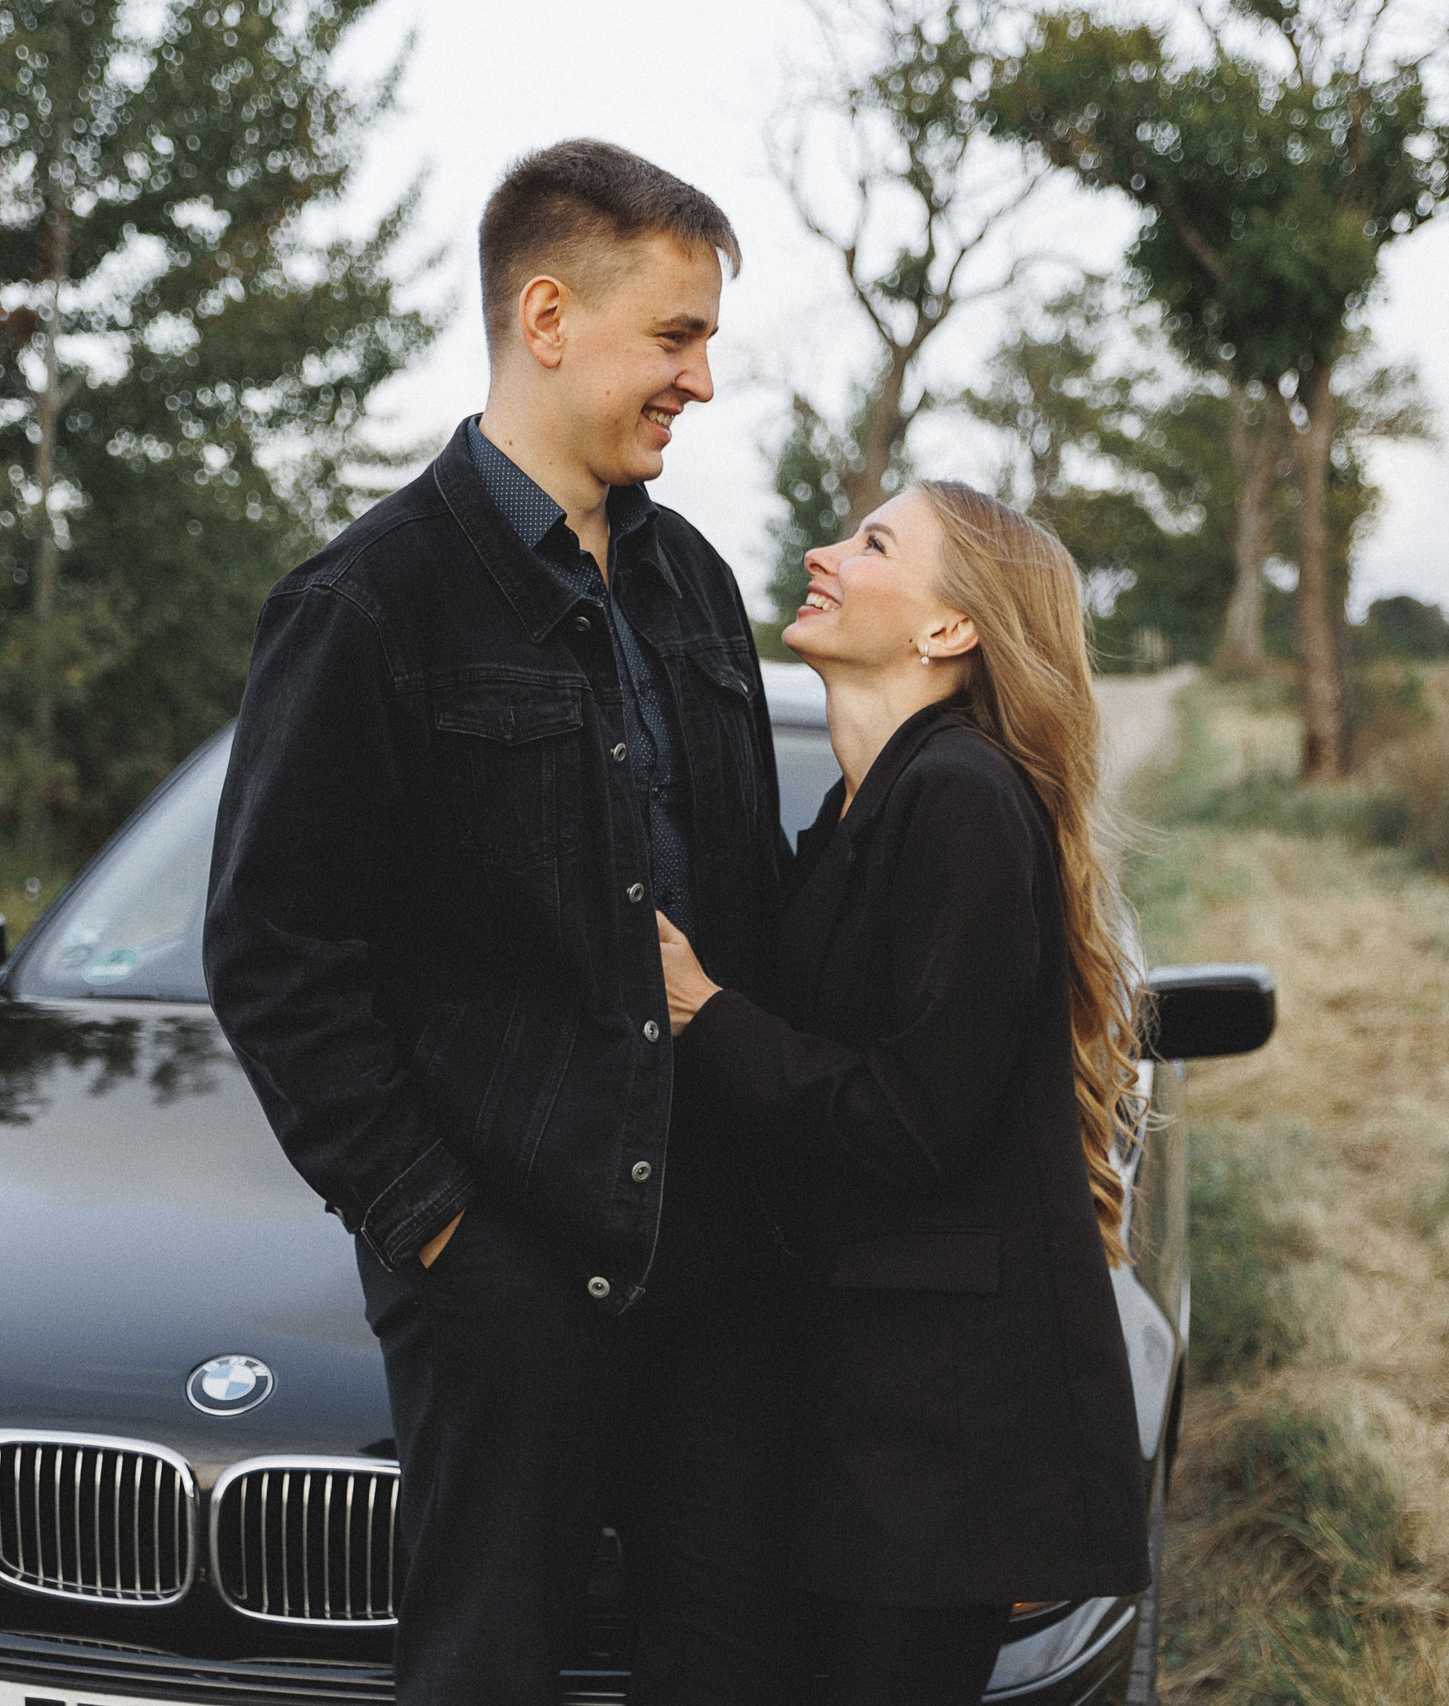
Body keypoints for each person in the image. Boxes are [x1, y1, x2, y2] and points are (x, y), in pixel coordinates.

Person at [205, 140, 789, 1704]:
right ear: (547, 317)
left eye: (707, 342)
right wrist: (439, 1228)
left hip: (715, 1271)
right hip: (504, 1286)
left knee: (733, 1668)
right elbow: (273, 957)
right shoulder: (368, 603)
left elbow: (755, 900)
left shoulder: (699, 592)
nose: (703, 381)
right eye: (677, 337)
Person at [656, 480, 1152, 1706]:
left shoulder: (963, 799)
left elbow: (914, 1117)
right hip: (875, 1423)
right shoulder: (864, 803)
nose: (825, 550)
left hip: (940, 1440)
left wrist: (702, 1010)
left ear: (949, 629)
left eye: (873, 541)